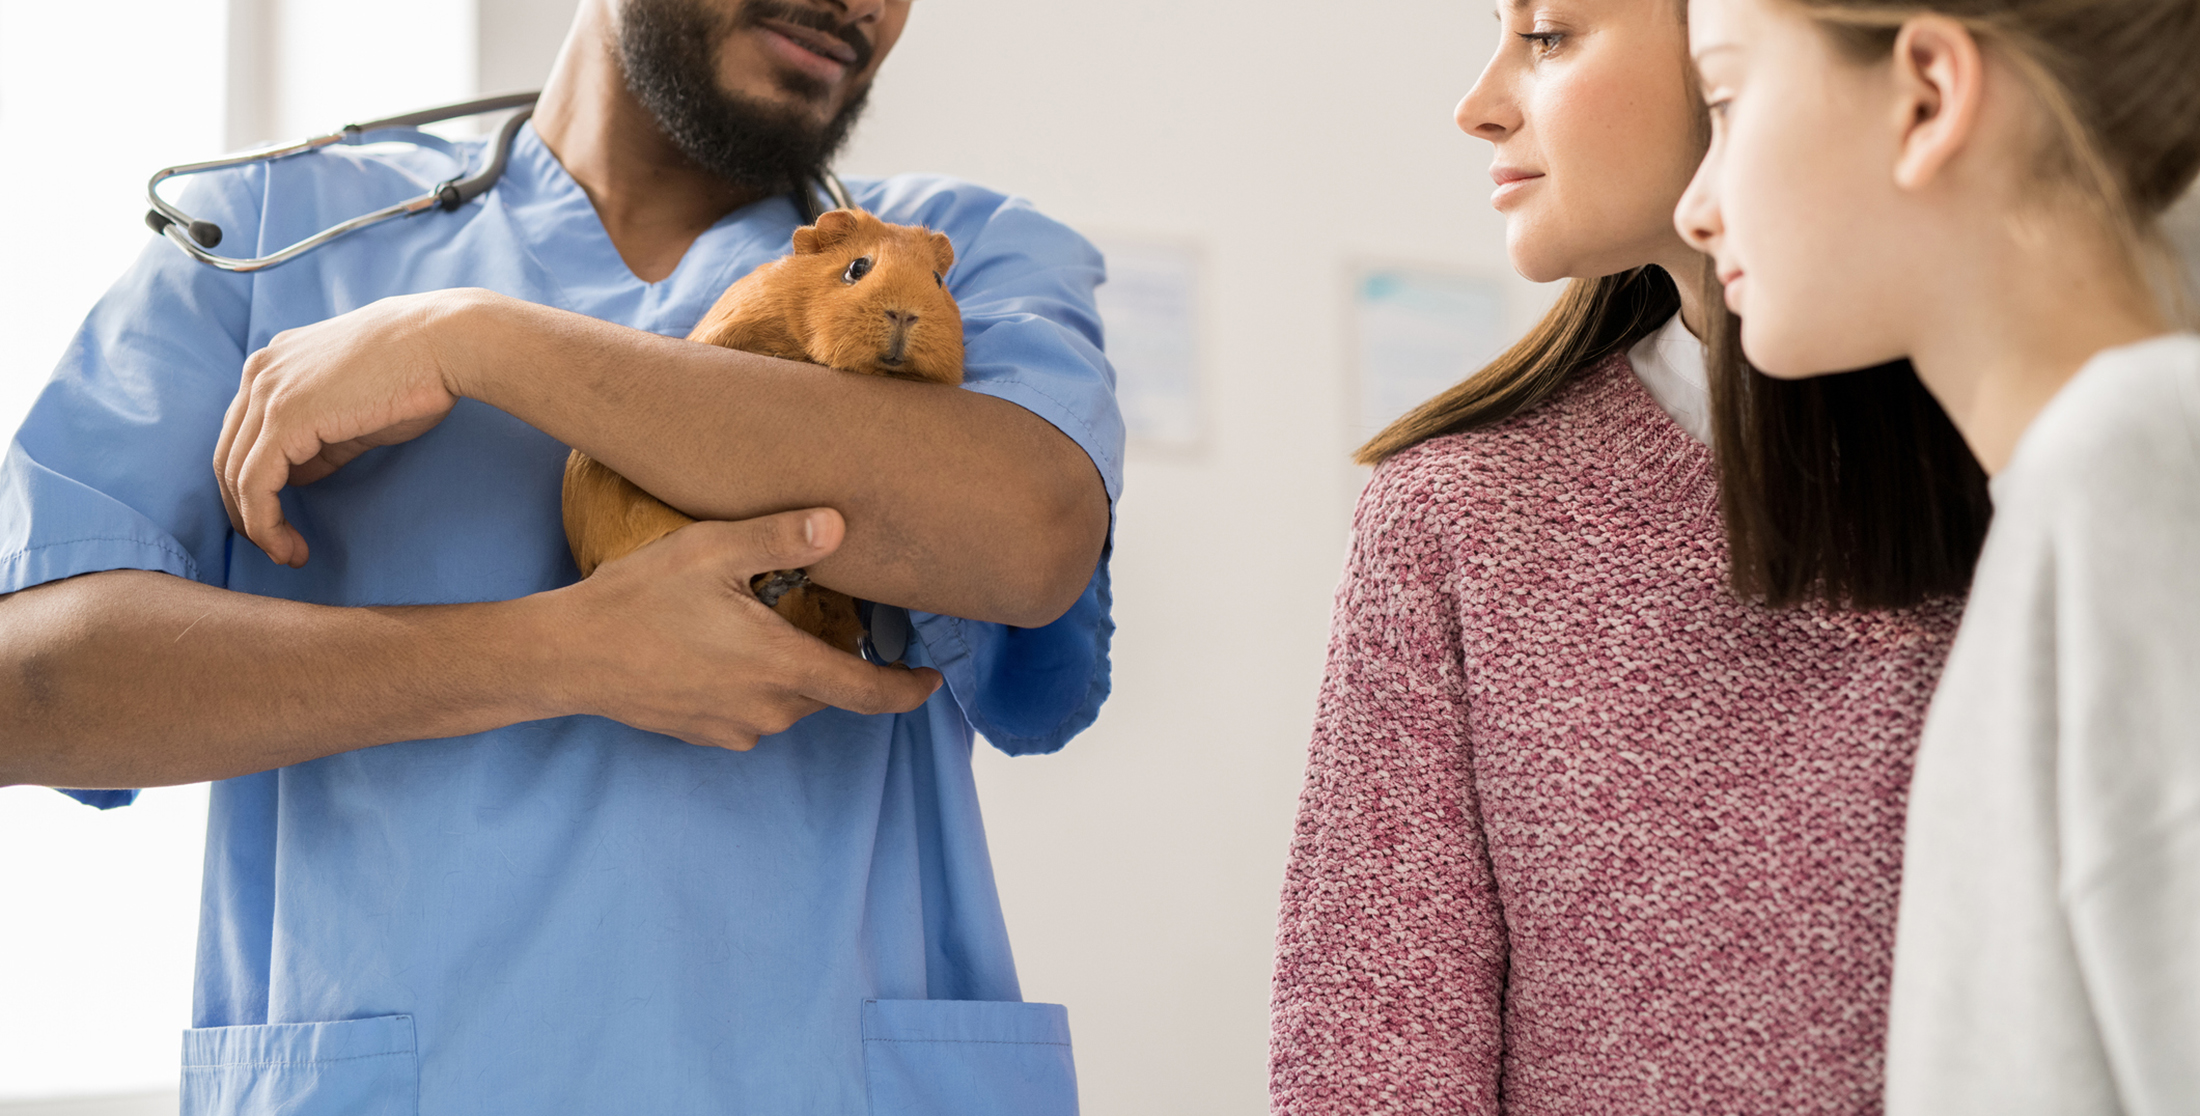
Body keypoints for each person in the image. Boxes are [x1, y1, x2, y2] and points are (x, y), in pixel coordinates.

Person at [0, 0, 1119, 1112]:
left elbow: (1031, 536)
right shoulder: (271, 232)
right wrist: (559, 654)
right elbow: (32, 686)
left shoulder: (958, 253)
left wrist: (476, 341)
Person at [1267, 0, 1991, 1111]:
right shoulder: (1458, 516)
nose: (1476, 106)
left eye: (1548, 33)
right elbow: (1371, 1059)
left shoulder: (2052, 478)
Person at [1675, 0, 2200, 1111]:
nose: (1695, 205)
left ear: (1926, 94)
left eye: (1724, 99)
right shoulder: (2080, 494)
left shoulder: (2137, 466)